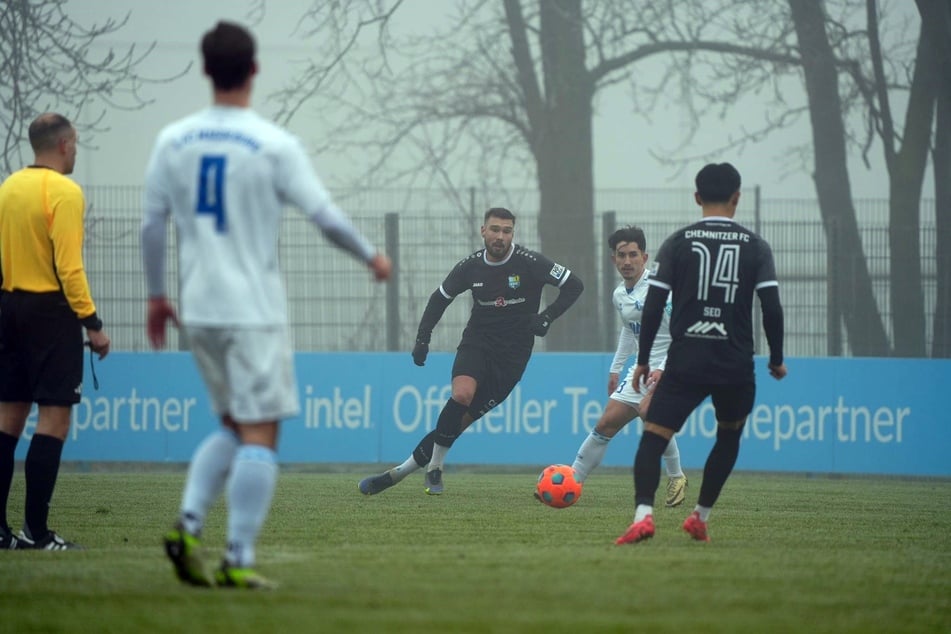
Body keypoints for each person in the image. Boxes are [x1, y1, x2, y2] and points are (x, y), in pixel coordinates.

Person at [141, 21, 392, 589]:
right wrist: (372, 257)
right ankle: (238, 559)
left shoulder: (172, 140)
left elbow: (151, 226)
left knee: (233, 424)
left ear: (206, 70)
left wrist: (157, 295)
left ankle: (187, 524)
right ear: (254, 69)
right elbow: (325, 218)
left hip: (199, 307)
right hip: (253, 310)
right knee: (261, 435)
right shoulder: (273, 143)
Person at [615, 162, 786, 545]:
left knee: (654, 436)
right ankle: (700, 516)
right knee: (728, 438)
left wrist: (642, 360)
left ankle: (643, 515)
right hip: (735, 362)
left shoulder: (677, 243)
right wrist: (776, 358)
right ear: (737, 198)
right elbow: (771, 307)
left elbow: (654, 304)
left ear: (697, 198)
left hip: (687, 360)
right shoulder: (756, 246)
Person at [359, 206, 583, 496]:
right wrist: (422, 339)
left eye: (507, 230)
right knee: (461, 395)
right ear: (483, 231)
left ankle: (398, 473)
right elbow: (439, 298)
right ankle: (435, 468)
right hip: (478, 342)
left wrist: (547, 316)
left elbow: (574, 285)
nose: (500, 236)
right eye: (495, 229)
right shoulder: (470, 267)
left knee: (458, 423)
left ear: (512, 233)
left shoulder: (531, 262)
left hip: (512, 358)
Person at [0, 113, 111, 551]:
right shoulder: (65, 192)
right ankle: (37, 531)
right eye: (76, 144)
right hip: (51, 312)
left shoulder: (8, 188)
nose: (76, 151)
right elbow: (69, 266)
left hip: (8, 307)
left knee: (8, 420)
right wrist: (93, 323)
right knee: (55, 420)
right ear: (64, 144)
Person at [569, 226, 687, 507]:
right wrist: (615, 368)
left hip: (669, 364)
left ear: (644, 257)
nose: (627, 261)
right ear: (613, 259)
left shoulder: (661, 291)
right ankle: (571, 482)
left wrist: (663, 368)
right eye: (621, 255)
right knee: (605, 423)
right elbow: (629, 332)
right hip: (641, 368)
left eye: (633, 255)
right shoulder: (619, 294)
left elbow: (681, 335)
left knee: (649, 412)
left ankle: (676, 477)